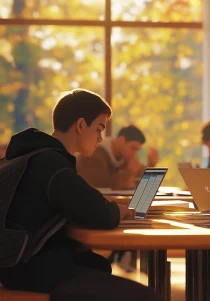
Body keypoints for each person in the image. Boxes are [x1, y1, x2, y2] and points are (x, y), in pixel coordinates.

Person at [0, 89, 160, 301]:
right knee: (147, 297)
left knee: (98, 265)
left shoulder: (34, 155)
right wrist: (120, 211)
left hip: (15, 265)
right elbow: (98, 214)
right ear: (81, 125)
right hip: (32, 269)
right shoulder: (52, 164)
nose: (100, 138)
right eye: (98, 129)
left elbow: (82, 201)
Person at [76, 125, 158, 190]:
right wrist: (129, 172)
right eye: (133, 148)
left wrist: (151, 164)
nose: (134, 154)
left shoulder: (124, 157)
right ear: (122, 139)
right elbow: (103, 186)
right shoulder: (93, 155)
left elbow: (138, 175)